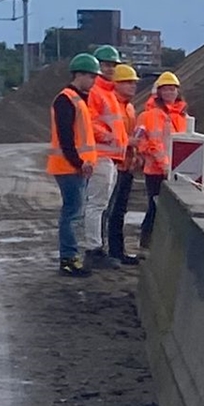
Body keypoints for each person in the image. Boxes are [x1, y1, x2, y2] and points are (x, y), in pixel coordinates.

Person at [47, 54, 102, 276]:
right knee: (72, 214)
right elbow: (66, 138)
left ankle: (70, 257)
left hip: (75, 167)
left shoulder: (78, 99)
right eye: (91, 76)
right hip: (68, 167)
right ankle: (68, 259)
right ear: (79, 74)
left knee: (74, 213)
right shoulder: (66, 99)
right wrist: (79, 163)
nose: (94, 81)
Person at [134, 70, 188, 252]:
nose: (170, 93)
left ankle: (161, 243)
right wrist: (165, 165)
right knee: (155, 208)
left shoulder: (182, 116)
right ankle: (146, 242)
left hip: (176, 171)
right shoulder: (151, 115)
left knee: (171, 210)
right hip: (156, 172)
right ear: (159, 92)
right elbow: (151, 144)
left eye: (173, 89)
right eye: (166, 89)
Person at [83, 44, 125, 267]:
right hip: (100, 155)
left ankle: (98, 246)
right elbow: (88, 121)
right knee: (96, 204)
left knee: (101, 205)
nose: (110, 69)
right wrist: (106, 137)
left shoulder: (109, 93)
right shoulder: (97, 92)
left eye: (113, 65)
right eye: (106, 64)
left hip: (111, 157)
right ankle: (93, 249)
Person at [103, 63, 142, 265]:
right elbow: (112, 136)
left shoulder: (129, 108)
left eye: (133, 83)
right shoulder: (111, 105)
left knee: (119, 211)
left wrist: (134, 153)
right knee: (109, 210)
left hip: (125, 165)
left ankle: (118, 251)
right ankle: (108, 251)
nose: (132, 86)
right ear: (116, 84)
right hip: (113, 164)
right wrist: (129, 142)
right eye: (127, 83)